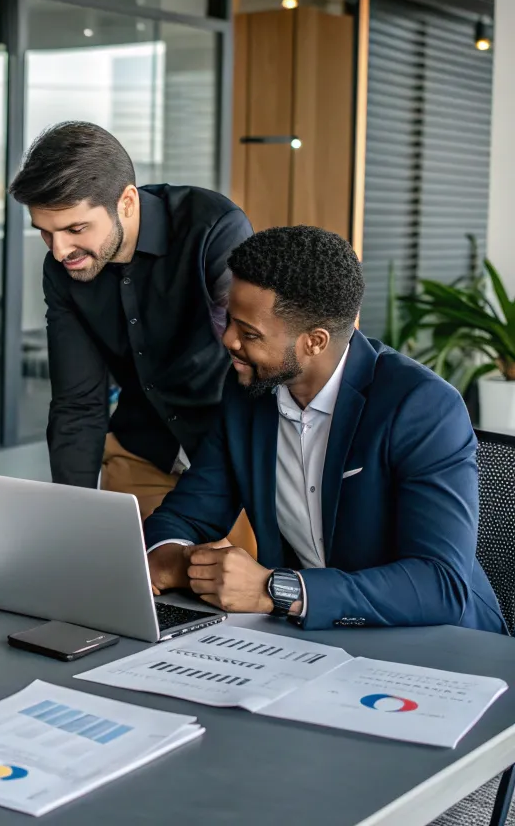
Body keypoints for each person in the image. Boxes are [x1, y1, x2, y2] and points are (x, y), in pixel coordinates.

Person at [145, 225, 507, 634]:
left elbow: (439, 585)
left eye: (249, 333)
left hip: (435, 645)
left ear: (315, 341)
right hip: (305, 642)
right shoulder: (248, 391)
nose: (227, 339)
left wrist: (277, 589)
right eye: (230, 320)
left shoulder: (421, 406)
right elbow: (186, 516)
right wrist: (177, 558)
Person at [9, 121, 255, 540]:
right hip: (143, 452)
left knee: (236, 595)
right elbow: (78, 403)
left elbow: (252, 363)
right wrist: (71, 518)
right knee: (126, 589)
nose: (60, 250)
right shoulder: (62, 270)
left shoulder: (213, 231)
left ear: (126, 202)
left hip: (231, 453)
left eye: (75, 229)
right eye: (45, 233)